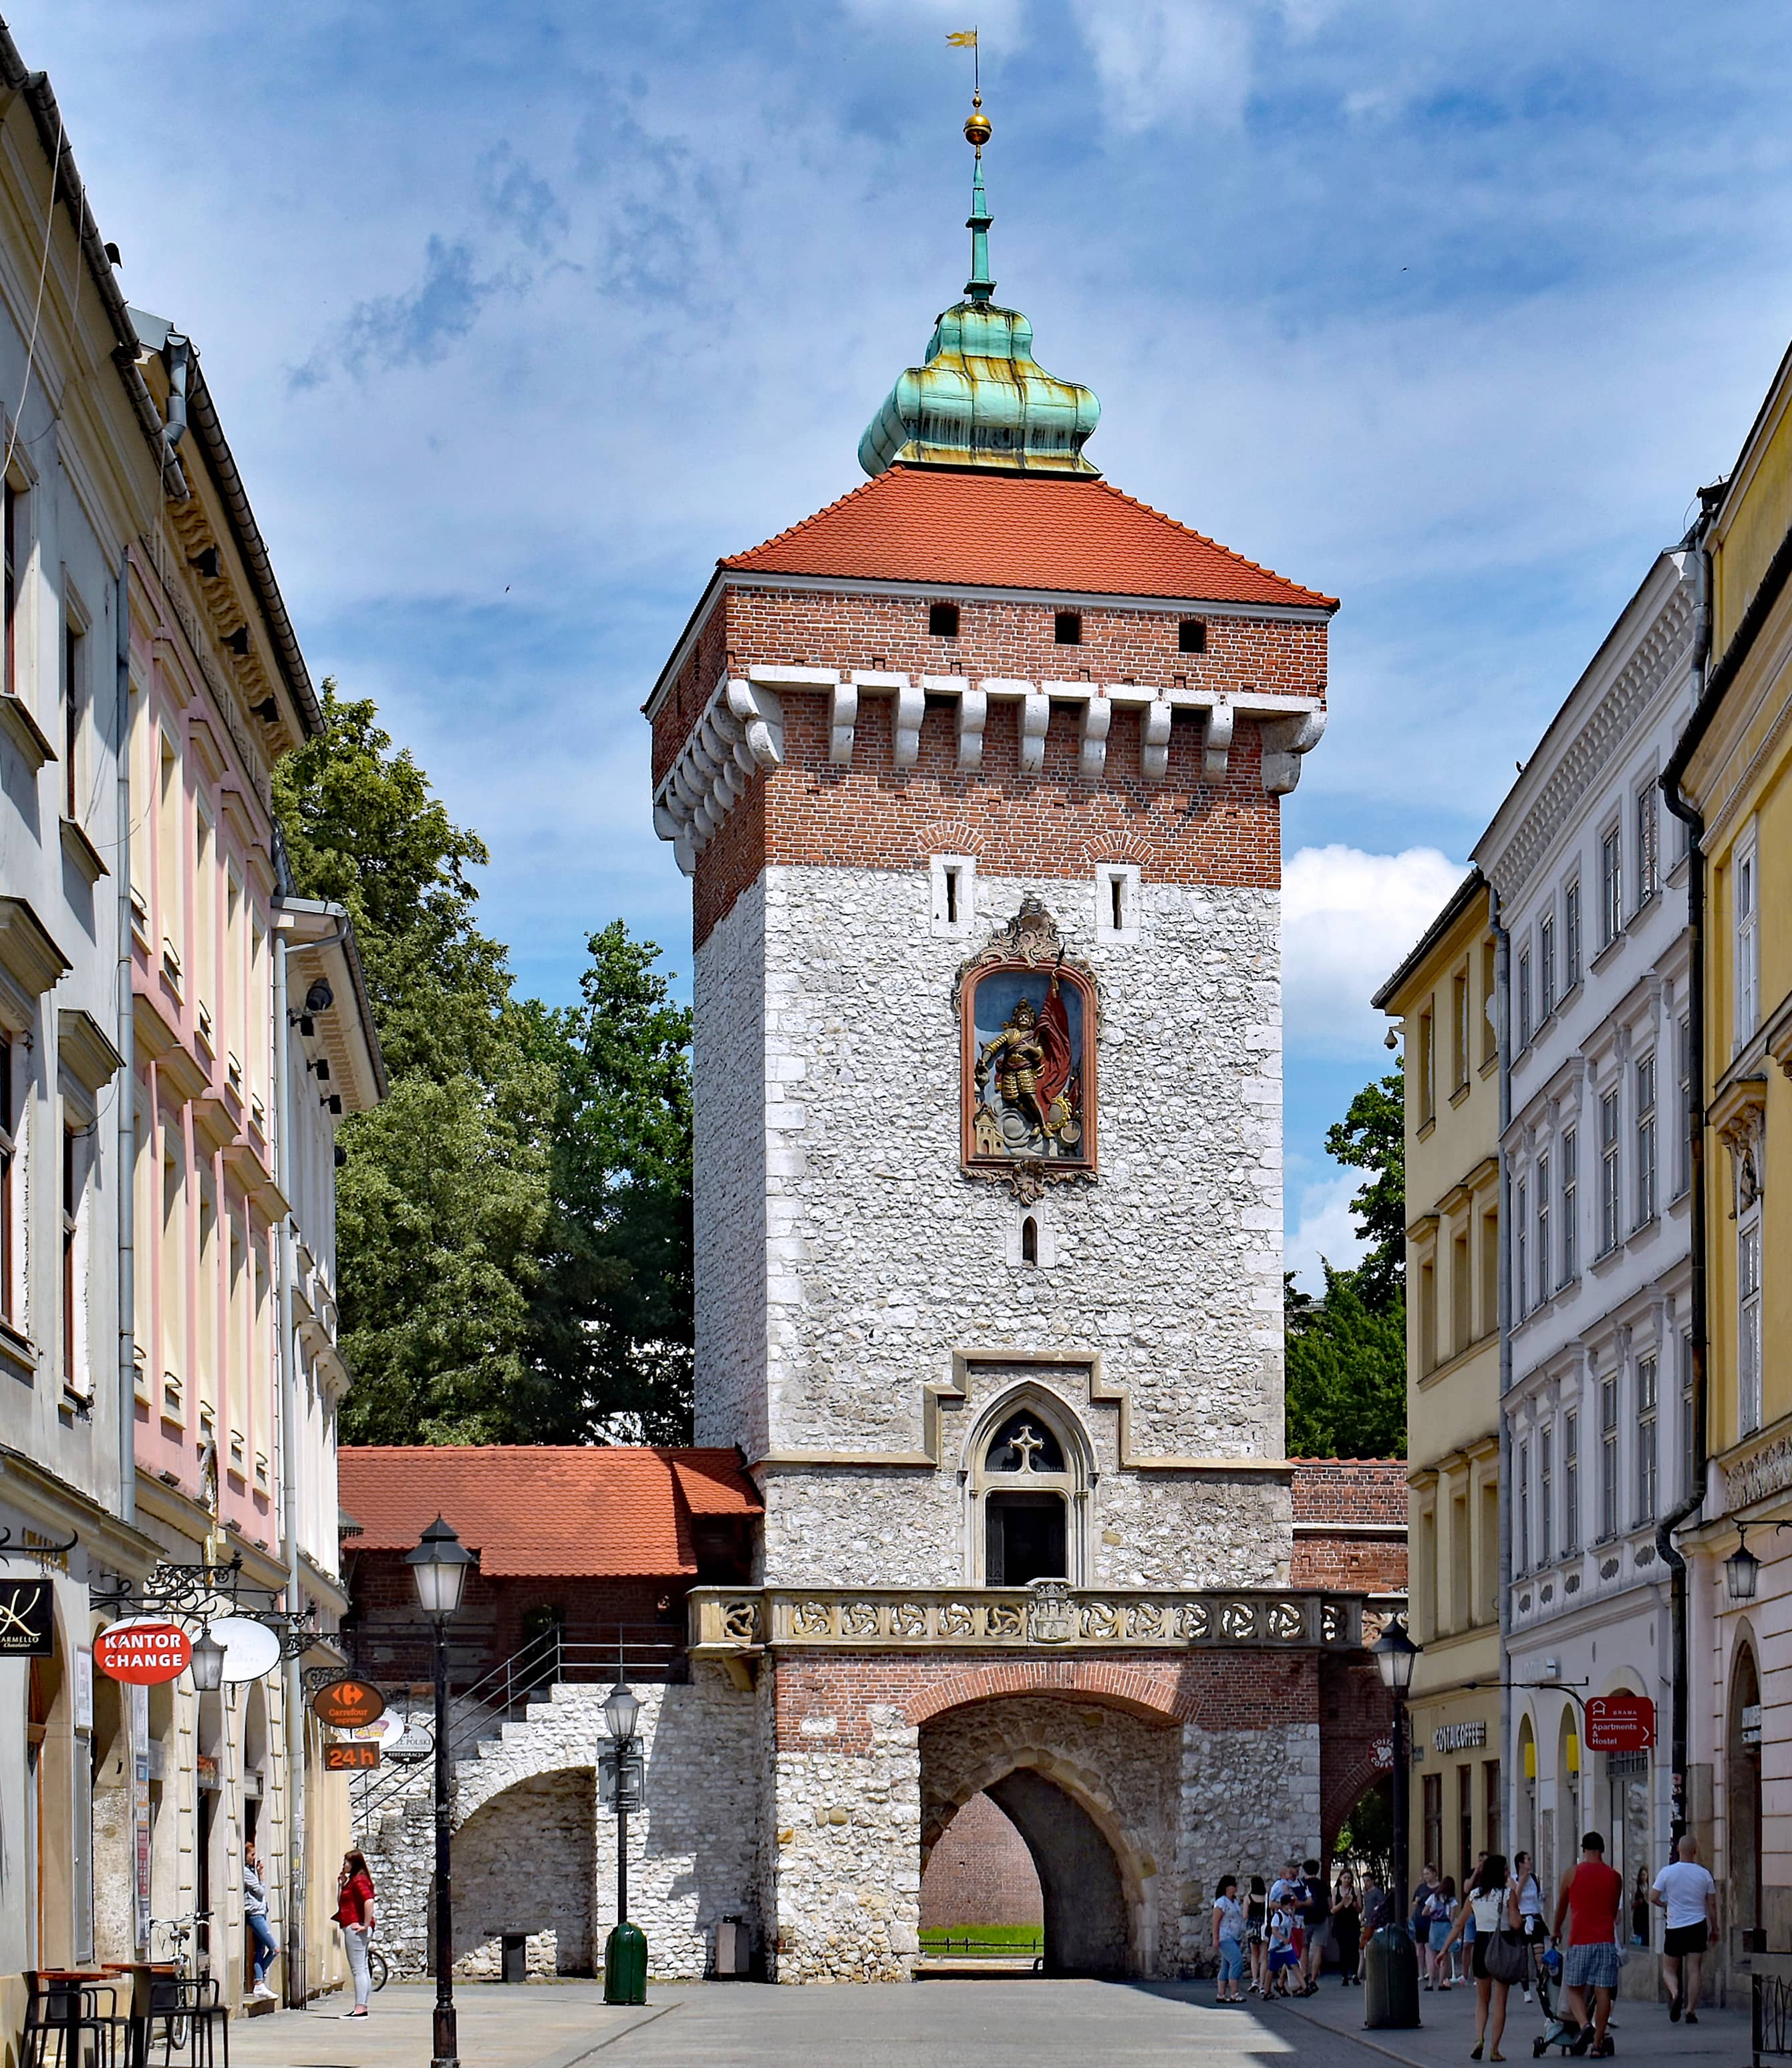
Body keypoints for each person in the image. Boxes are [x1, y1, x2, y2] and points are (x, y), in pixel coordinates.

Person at [1552, 1829, 1623, 2057]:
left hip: (1580, 1939)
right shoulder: (1614, 1876)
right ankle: (1598, 2044)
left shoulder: (1572, 1874)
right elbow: (1613, 1910)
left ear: (1583, 1850)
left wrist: (1555, 1930)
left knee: (1574, 1988)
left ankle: (1584, 2026)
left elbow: (1562, 1907)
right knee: (1604, 1993)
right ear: (1602, 1851)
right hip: (1605, 1940)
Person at [1443, 1851, 1518, 2062]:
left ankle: (1479, 2039)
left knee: (1482, 2001)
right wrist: (1516, 1895)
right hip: (1501, 1946)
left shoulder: (1474, 1895)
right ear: (1499, 1872)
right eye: (1505, 1869)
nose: (1508, 1873)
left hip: (1481, 1946)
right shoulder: (1507, 1895)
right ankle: (1495, 2050)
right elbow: (1515, 1923)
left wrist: (1443, 1950)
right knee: (1500, 2002)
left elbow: (1459, 1924)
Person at [1649, 1833, 1717, 2025]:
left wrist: (1666, 1906)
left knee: (1669, 1969)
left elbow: (1653, 1896)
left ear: (1678, 1850)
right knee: (1694, 1969)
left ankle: (1676, 1992)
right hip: (1697, 1925)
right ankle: (1691, 2010)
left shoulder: (1667, 1872)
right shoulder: (1704, 1874)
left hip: (1675, 1926)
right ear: (1695, 1851)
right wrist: (1715, 1928)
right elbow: (1712, 1905)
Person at [335, 1848, 378, 2019]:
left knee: (358, 1969)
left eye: (346, 1861)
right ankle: (362, 2006)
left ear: (354, 1863)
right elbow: (342, 1903)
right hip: (356, 1926)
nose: (344, 1864)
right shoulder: (353, 1881)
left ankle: (360, 2009)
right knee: (362, 1969)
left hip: (355, 1927)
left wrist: (365, 1925)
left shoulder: (359, 1881)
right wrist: (341, 1885)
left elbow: (369, 1901)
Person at [244, 1843, 279, 2003]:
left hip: (261, 1912)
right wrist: (261, 1877)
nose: (254, 1857)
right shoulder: (246, 1873)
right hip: (255, 1915)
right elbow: (260, 1891)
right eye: (252, 1855)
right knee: (275, 1948)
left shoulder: (252, 1872)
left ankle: (259, 1983)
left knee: (259, 1949)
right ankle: (259, 1979)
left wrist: (258, 1873)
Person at [1510, 1851, 1545, 2001]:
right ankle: (1526, 1991)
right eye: (1528, 1860)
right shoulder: (1513, 1879)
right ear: (1520, 1864)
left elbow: (1538, 1897)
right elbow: (1515, 1900)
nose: (1530, 1862)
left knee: (1539, 1955)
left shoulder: (1535, 1878)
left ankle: (1542, 1986)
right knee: (1523, 1955)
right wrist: (1522, 1882)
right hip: (1522, 1917)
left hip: (1535, 1916)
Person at [1213, 1875, 1248, 2003]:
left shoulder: (1235, 1901)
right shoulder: (1221, 1902)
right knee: (1236, 1961)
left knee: (1226, 1965)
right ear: (1228, 1888)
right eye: (1234, 1885)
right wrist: (1216, 1938)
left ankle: (1221, 1994)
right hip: (1225, 1937)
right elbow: (1216, 1922)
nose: (1236, 1887)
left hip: (1235, 1936)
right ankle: (1234, 1993)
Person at [1300, 1857, 1330, 1994]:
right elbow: (1330, 1904)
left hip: (1305, 1918)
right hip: (1321, 1918)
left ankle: (1304, 1976)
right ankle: (1313, 1979)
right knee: (1318, 1949)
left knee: (1304, 1948)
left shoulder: (1301, 1884)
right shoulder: (1323, 1884)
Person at [1332, 1869, 1362, 1986]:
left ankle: (1354, 1974)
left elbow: (1360, 1909)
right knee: (1343, 1950)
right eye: (1345, 1878)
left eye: (1349, 1878)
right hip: (1340, 1923)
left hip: (1353, 1923)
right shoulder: (1335, 1891)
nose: (1347, 1880)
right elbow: (1333, 1910)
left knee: (1354, 1948)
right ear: (1340, 1878)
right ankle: (1344, 1975)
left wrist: (1355, 1905)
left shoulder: (1356, 1890)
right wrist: (1342, 1902)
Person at [1427, 1876, 1457, 1990]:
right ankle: (1441, 1983)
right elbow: (1451, 1918)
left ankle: (1430, 1983)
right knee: (1444, 1956)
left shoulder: (1433, 1898)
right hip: (1445, 1927)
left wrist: (1433, 1912)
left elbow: (1425, 1912)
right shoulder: (1452, 1900)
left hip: (1434, 1926)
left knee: (1432, 1955)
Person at [1265, 1897, 1300, 1997]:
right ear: (1284, 1905)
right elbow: (1274, 1931)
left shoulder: (1288, 1916)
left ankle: (1304, 1987)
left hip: (1286, 1948)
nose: (1292, 1906)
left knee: (1294, 1965)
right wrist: (1283, 1938)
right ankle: (1267, 1991)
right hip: (1276, 1947)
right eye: (1290, 1904)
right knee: (1272, 1969)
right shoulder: (1278, 1916)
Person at [1245, 1873, 1270, 1997]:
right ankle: (1263, 1984)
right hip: (1264, 1928)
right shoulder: (1267, 1897)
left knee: (1254, 1955)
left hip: (1252, 1928)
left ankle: (1255, 1980)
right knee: (1264, 1957)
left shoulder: (1248, 1898)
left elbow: (1245, 1915)